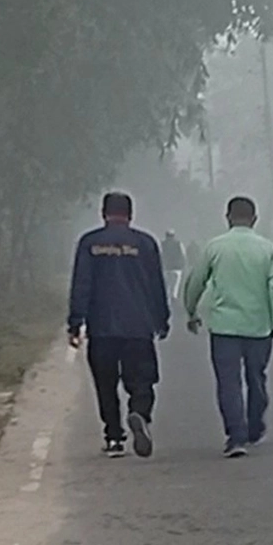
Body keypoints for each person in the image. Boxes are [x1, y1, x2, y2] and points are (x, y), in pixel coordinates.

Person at [183, 196, 273, 458]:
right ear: (254, 219)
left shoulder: (215, 247)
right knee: (256, 377)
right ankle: (255, 426)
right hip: (259, 327)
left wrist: (191, 311)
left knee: (228, 382)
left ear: (227, 218)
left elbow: (195, 282)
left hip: (224, 328)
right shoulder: (267, 249)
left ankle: (236, 437)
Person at [67, 192, 169, 459]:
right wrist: (162, 319)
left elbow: (82, 285)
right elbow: (157, 285)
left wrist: (75, 322)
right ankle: (139, 413)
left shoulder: (90, 243)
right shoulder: (145, 244)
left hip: (102, 328)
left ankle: (114, 437)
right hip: (138, 326)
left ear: (103, 213)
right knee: (143, 379)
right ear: (130, 214)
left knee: (105, 382)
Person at [161, 230, 187, 300]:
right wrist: (183, 265)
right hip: (176, 268)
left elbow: (160, 255)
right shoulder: (178, 244)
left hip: (166, 267)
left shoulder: (162, 244)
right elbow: (183, 255)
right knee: (175, 285)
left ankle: (168, 297)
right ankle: (174, 297)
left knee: (167, 284)